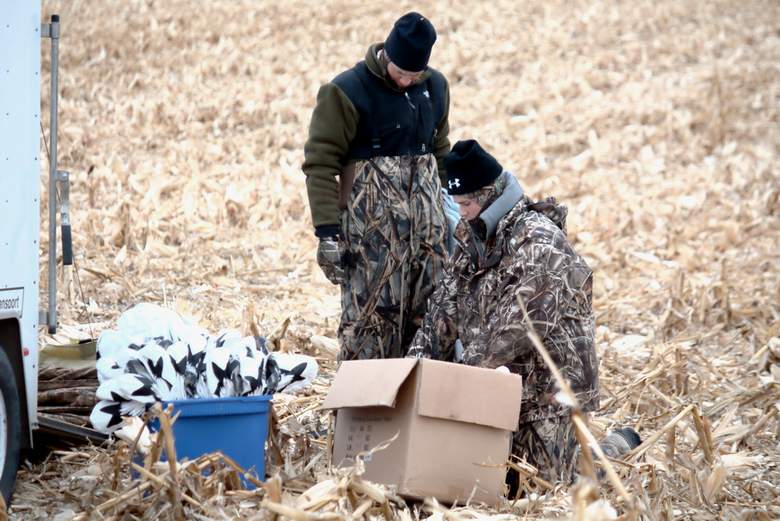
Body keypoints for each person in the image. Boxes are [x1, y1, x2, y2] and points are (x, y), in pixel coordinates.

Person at [408, 139, 633, 485]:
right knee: (492, 480)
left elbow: (519, 324)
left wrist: (456, 381)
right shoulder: (472, 239)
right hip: (500, 384)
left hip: (550, 391)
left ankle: (616, 446)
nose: (461, 211)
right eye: (456, 203)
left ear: (490, 195)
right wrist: (413, 373)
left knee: (550, 487)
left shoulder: (538, 241)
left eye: (466, 203)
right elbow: (444, 307)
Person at [303, 12, 451, 361]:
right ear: (387, 55)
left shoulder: (436, 88)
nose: (406, 81)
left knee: (431, 335)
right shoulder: (346, 91)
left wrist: (458, 212)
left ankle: (418, 416)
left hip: (429, 245)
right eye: (401, 72)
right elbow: (320, 164)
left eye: (415, 75)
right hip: (372, 248)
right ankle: (361, 416)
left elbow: (441, 152)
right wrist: (326, 234)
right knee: (367, 336)